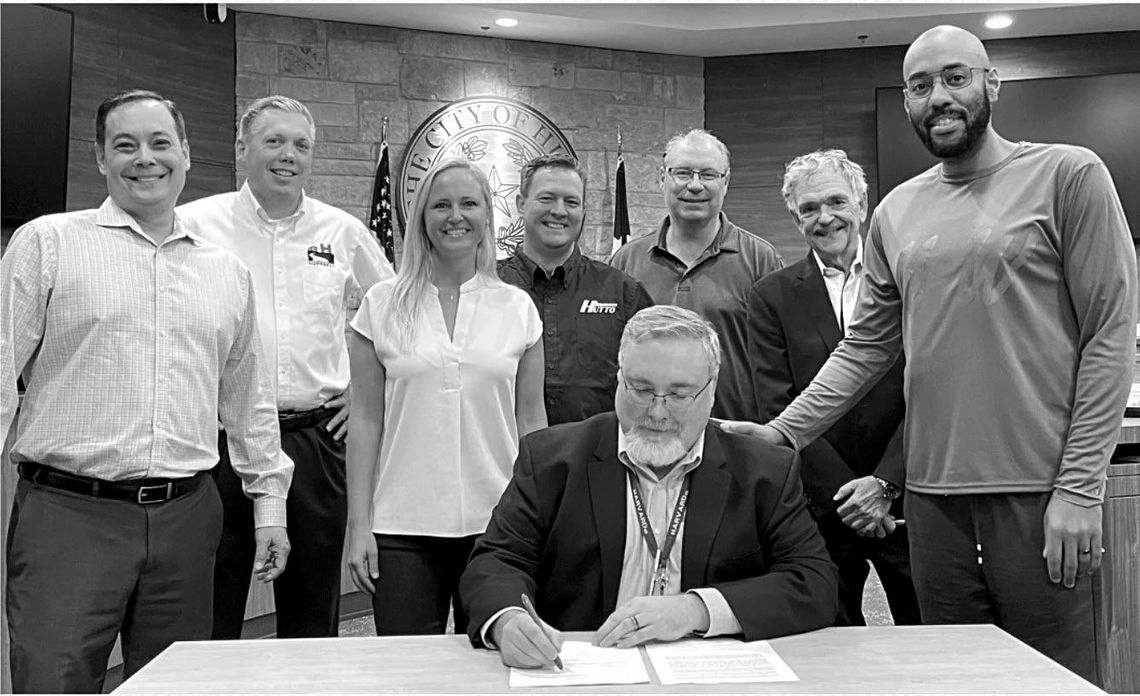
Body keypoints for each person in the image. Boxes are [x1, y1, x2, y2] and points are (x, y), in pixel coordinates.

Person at [723, 26, 1136, 682]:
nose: (937, 97)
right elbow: (866, 346)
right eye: (920, 86)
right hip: (930, 505)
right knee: (954, 680)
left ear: (991, 84)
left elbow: (1110, 335)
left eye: (955, 77)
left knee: (1050, 681)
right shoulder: (897, 211)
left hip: (1038, 496)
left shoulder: (1069, 174)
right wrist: (780, 433)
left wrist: (1080, 488)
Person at [0, 89, 293, 693]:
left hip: (188, 517)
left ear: (186, 154)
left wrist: (269, 507)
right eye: (125, 145)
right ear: (100, 158)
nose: (145, 158)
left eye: (161, 143)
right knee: (54, 681)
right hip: (68, 517)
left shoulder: (225, 272)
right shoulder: (47, 244)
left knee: (175, 684)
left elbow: (248, 402)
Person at [459, 305, 837, 669]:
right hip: (581, 673)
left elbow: (814, 583)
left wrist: (697, 609)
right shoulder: (550, 460)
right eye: (641, 390)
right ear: (618, 380)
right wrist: (507, 621)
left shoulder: (763, 472)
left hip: (708, 677)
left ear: (711, 390)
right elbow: (496, 562)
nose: (657, 413)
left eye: (677, 395)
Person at [179, 96, 394, 639]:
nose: (288, 155)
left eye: (301, 145)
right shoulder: (194, 225)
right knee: (213, 598)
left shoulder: (341, 232)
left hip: (315, 441)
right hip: (220, 442)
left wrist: (366, 392)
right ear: (241, 148)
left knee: (313, 602)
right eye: (274, 141)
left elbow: (396, 314)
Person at [345, 158, 548, 636]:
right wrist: (359, 525)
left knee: (497, 666)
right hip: (402, 524)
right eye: (440, 205)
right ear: (421, 218)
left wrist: (542, 519)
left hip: (498, 524)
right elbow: (365, 422)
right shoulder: (381, 305)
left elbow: (532, 422)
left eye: (468, 204)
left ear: (487, 218)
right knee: (409, 676)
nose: (455, 216)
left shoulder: (518, 308)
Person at [746, 149, 921, 627]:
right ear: (795, 217)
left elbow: (930, 390)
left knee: (930, 645)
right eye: (808, 209)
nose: (825, 218)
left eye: (836, 202)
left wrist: (886, 484)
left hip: (908, 497)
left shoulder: (910, 281)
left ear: (863, 204)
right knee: (828, 648)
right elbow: (776, 404)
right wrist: (850, 497)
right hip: (823, 508)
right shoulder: (770, 298)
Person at [610, 129, 783, 421]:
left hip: (733, 437)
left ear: (726, 182)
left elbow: (779, 363)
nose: (694, 185)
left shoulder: (761, 260)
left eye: (708, 175)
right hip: (647, 432)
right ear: (661, 178)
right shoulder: (627, 262)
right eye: (682, 173)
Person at [498, 154, 654, 425]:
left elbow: (651, 381)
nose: (559, 211)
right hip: (502, 459)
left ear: (583, 211)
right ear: (521, 204)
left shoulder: (623, 293)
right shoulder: (487, 287)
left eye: (571, 202)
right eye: (546, 198)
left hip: (596, 461)